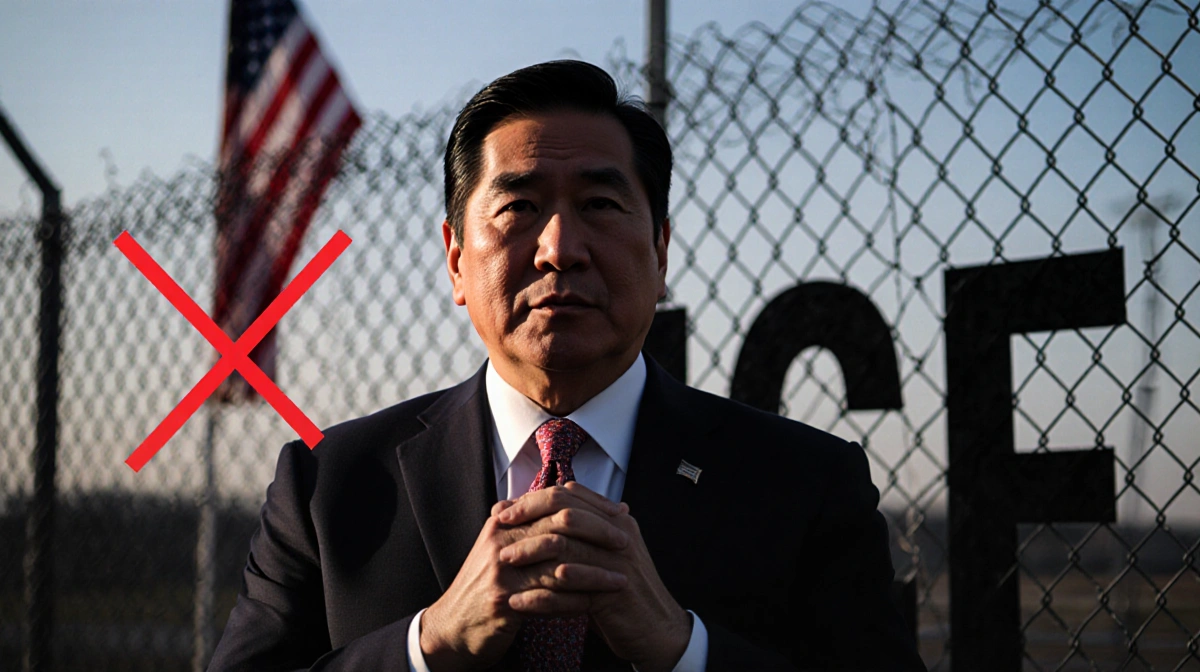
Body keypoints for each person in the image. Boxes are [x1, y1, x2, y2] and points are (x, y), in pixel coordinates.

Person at [209, 60, 925, 671]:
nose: (559, 248)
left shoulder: (804, 484)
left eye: (600, 203)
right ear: (457, 261)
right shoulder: (329, 485)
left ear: (662, 252)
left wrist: (684, 650)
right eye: (518, 206)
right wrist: (429, 646)